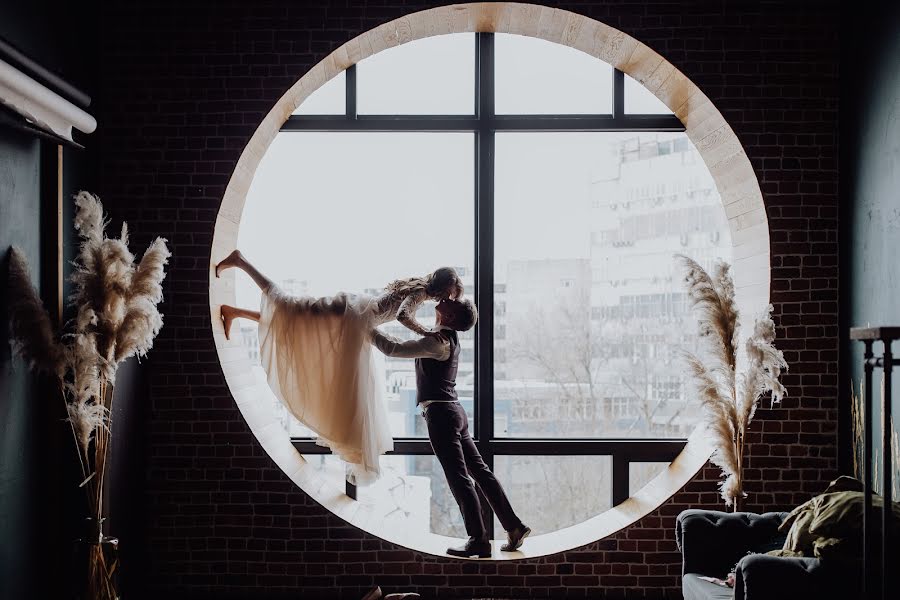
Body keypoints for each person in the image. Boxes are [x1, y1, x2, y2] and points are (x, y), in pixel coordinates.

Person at [214, 249, 464, 483]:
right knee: (288, 308)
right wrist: (427, 331)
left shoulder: (419, 288)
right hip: (352, 317)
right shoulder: (420, 293)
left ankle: (235, 312)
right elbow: (401, 315)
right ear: (442, 286)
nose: (447, 298)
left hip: (355, 317)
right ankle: (241, 261)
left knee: (294, 324)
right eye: (449, 293)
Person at [369, 297, 531, 558]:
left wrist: (364, 328)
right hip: (455, 411)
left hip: (441, 415)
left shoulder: (437, 342)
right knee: (480, 472)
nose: (447, 299)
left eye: (453, 303)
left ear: (451, 318)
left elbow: (392, 349)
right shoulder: (441, 337)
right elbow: (413, 330)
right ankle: (514, 526)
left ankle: (478, 539)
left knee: (459, 479)